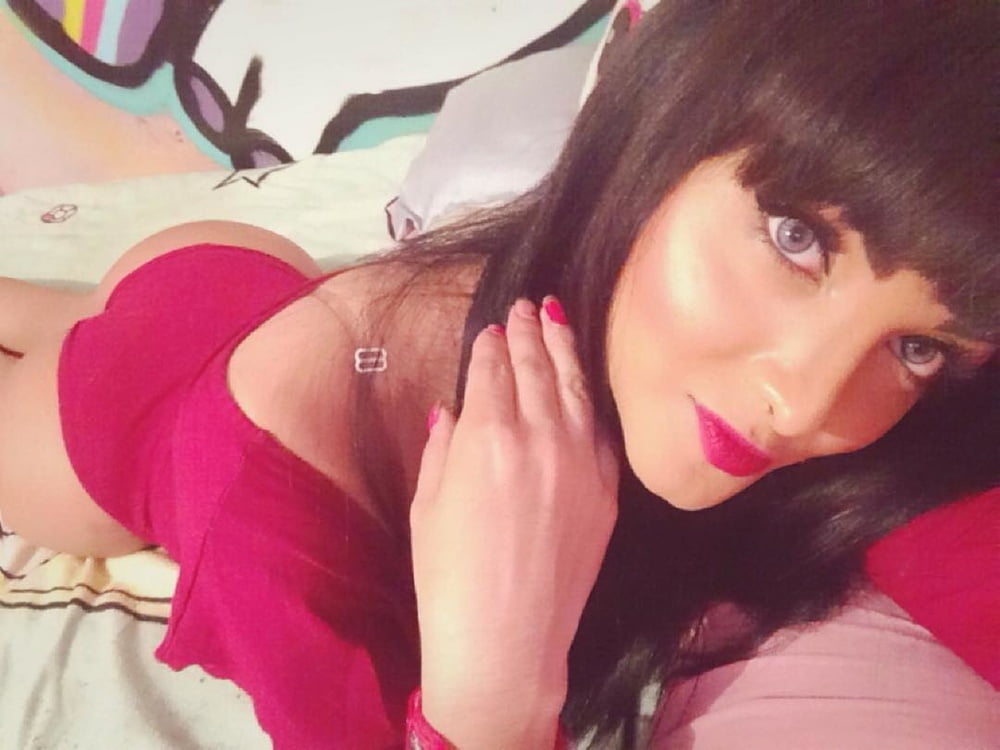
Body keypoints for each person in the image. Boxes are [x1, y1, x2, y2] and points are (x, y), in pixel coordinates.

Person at [0, 0, 996, 747]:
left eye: (919, 347)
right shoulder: (273, 517)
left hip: (256, 277)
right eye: (796, 239)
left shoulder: (578, 292)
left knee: (86, 305)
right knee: (61, 360)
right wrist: (492, 711)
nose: (806, 405)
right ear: (656, 120)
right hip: (114, 406)